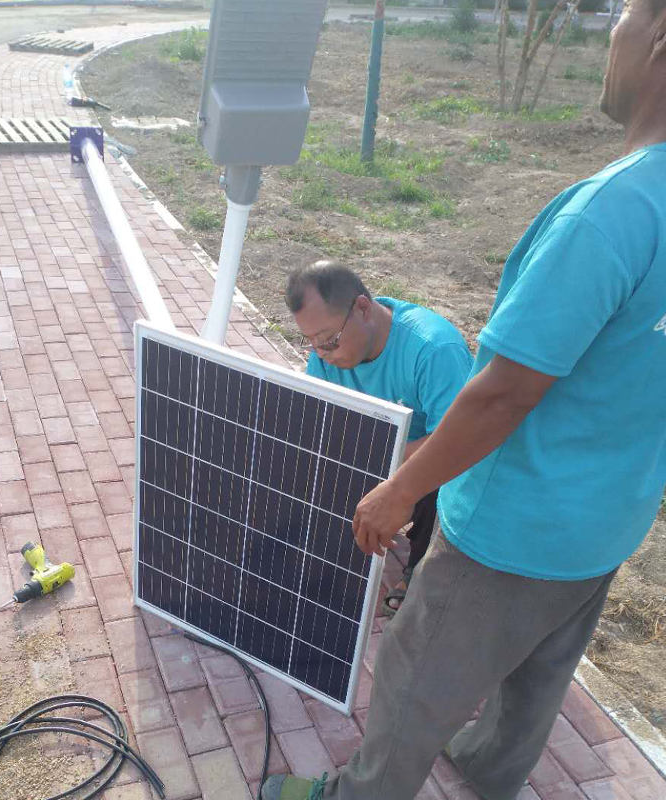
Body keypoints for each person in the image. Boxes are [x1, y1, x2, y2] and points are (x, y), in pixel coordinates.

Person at [264, 0, 666, 797]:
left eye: (624, 10)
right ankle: (485, 774)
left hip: (514, 527)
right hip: (610, 520)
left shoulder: (612, 212)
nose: (612, 31)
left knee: (412, 677)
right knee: (537, 681)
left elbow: (504, 392)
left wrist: (399, 492)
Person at [285, 261, 473, 616]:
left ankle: (418, 571)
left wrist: (382, 459)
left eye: (329, 341)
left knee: (443, 485)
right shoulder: (325, 354)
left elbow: (460, 441)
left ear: (363, 308)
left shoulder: (433, 349)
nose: (321, 354)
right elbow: (320, 419)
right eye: (311, 342)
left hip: (431, 461)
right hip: (372, 450)